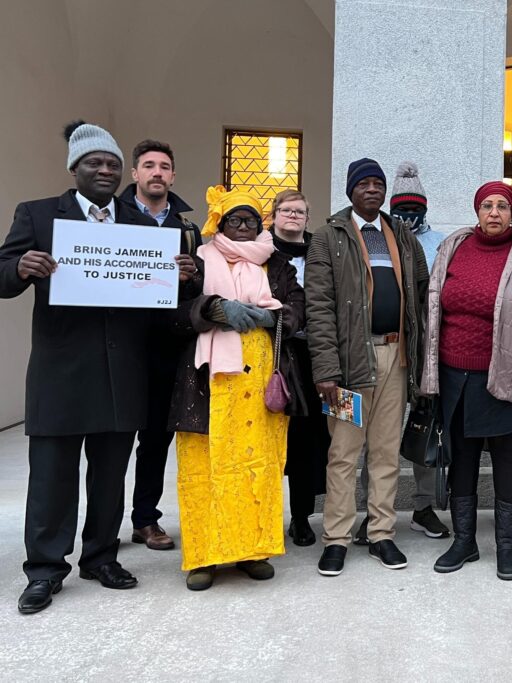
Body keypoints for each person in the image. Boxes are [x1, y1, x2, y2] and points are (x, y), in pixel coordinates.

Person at [0, 121, 194, 614]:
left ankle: (101, 557)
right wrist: (21, 268)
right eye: (95, 163)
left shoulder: (140, 222)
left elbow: (161, 298)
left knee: (110, 475)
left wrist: (184, 279)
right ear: (75, 168)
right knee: (52, 477)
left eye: (111, 164)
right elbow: (2, 273)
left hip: (122, 370)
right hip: (62, 372)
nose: (105, 171)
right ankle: (45, 569)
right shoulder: (41, 215)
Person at [420, 181, 512, 580]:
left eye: (502, 206)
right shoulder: (454, 246)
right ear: (477, 211)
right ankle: (464, 541)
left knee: (508, 458)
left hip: (504, 375)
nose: (494, 212)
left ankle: (506, 546)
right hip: (453, 374)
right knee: (461, 458)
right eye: (487, 206)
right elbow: (433, 303)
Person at [167, 185, 303, 590]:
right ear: (220, 223)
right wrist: (211, 308)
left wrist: (268, 318)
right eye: (234, 220)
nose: (243, 227)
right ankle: (204, 557)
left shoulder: (276, 264)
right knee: (204, 468)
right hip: (207, 380)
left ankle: (252, 550)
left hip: (261, 377)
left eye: (250, 220)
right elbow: (171, 314)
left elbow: (297, 309)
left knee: (256, 466)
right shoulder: (197, 263)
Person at [306, 158, 429, 576]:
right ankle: (337, 539)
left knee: (385, 452)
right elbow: (318, 307)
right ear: (351, 191)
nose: (373, 190)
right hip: (347, 365)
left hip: (395, 358)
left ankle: (381, 534)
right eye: (365, 184)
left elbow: (422, 294)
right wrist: (325, 369)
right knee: (342, 453)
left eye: (378, 184)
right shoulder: (329, 237)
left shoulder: (402, 235)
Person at [350, 161, 450, 543]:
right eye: (402, 208)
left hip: (424, 350)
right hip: (383, 349)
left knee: (425, 428)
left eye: (415, 209)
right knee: (374, 437)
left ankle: (423, 507)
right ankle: (372, 510)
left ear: (425, 209)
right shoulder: (379, 236)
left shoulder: (441, 241)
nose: (408, 216)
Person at [119, 139, 202, 552]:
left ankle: (145, 520)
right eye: (148, 165)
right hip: (117, 345)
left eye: (164, 166)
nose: (156, 172)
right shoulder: (109, 220)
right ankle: (99, 528)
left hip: (167, 347)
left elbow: (201, 289)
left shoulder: (187, 230)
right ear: (134, 173)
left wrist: (193, 275)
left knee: (154, 440)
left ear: (172, 175)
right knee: (111, 442)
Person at [268, 189, 330, 547]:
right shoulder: (259, 251)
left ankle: (302, 517)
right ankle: (262, 515)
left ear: (308, 218)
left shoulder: (319, 253)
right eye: (286, 210)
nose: (292, 216)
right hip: (274, 353)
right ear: (274, 215)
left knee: (308, 440)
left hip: (313, 354)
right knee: (272, 436)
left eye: (299, 211)